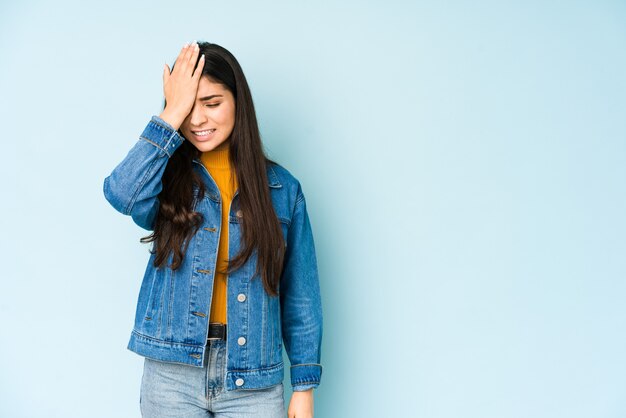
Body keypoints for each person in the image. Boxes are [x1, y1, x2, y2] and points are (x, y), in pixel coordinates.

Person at [103, 40, 323, 418]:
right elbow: (121, 193)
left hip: (253, 379)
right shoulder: (164, 179)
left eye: (212, 103)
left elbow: (300, 295)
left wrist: (303, 386)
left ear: (238, 101)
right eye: (189, 106)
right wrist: (171, 114)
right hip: (172, 375)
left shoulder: (283, 191)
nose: (198, 120)